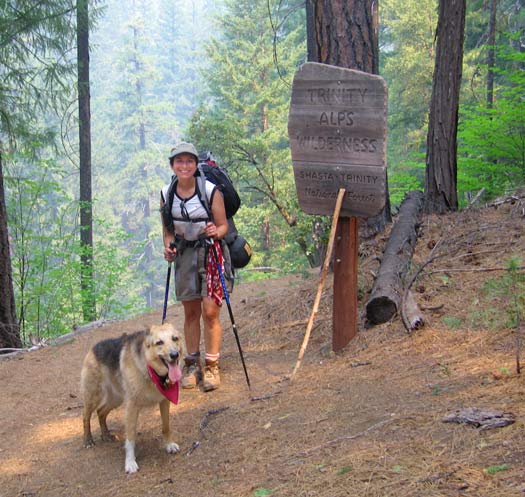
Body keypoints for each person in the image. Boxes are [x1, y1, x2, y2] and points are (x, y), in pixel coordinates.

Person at [160, 142, 233, 392]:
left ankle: (212, 366)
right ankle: (192, 363)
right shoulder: (166, 192)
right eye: (179, 161)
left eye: (189, 161)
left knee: (210, 312)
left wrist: (216, 230)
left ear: (195, 165)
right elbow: (167, 229)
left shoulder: (210, 191)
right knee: (191, 312)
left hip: (210, 253)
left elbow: (223, 226)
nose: (184, 166)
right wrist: (168, 246)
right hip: (184, 256)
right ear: (172, 165)